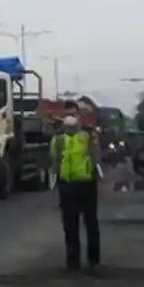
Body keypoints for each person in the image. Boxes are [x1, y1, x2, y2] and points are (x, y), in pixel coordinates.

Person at [50, 115, 102, 273]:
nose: (71, 128)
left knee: (90, 223)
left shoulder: (88, 138)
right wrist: (54, 180)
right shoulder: (58, 141)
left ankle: (93, 261)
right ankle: (73, 262)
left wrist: (97, 175)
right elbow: (55, 161)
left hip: (86, 184)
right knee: (70, 226)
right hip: (67, 185)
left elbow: (96, 157)